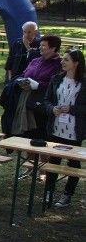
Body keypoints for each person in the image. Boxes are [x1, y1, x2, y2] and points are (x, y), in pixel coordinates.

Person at [43, 49, 85, 208]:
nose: (62, 62)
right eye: (63, 59)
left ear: (76, 63)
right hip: (55, 127)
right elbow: (47, 100)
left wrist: (72, 109)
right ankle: (49, 192)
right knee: (54, 160)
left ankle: (67, 194)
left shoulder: (84, 83)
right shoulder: (56, 79)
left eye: (66, 60)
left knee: (73, 163)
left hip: (74, 131)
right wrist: (51, 109)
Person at [0, 34, 63, 139]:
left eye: (43, 45)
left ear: (53, 48)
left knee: (42, 139)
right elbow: (24, 73)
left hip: (43, 107)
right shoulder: (35, 61)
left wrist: (38, 85)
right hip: (27, 104)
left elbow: (57, 84)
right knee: (27, 137)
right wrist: (22, 82)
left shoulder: (59, 64)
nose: (40, 47)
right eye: (40, 45)